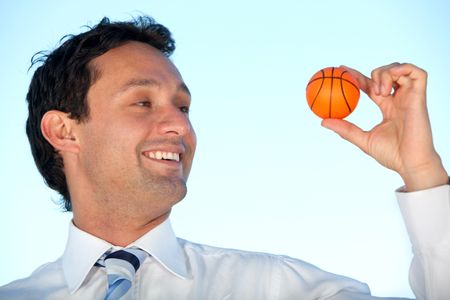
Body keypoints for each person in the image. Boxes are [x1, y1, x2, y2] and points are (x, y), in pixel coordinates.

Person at [0, 16, 448, 300]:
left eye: (184, 106)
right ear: (63, 130)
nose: (180, 125)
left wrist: (422, 172)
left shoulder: (283, 290)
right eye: (142, 103)